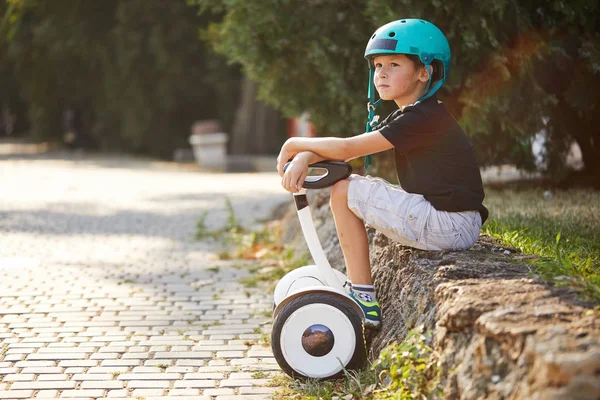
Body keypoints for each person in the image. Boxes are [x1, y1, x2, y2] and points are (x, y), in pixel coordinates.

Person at [277, 19, 488, 329]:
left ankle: (363, 298)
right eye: (377, 66)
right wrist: (306, 157)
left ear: (424, 72)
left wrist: (295, 144)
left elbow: (348, 148)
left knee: (345, 191)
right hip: (453, 221)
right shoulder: (412, 114)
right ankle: (359, 290)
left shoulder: (422, 118)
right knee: (350, 187)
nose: (382, 73)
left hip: (450, 224)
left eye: (393, 64)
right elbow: (349, 149)